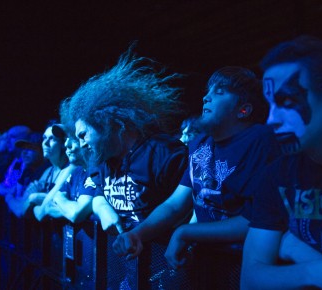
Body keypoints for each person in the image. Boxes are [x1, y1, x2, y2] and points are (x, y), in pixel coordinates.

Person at [112, 66, 281, 270]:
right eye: (208, 91)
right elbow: (175, 205)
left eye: (219, 92)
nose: (206, 98)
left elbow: (255, 220)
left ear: (243, 110)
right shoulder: (201, 144)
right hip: (205, 262)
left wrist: (186, 232)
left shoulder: (260, 141)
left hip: (242, 264)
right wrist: (137, 234)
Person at [240, 36, 322, 289]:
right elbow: (250, 280)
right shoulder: (276, 176)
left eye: (287, 102)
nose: (271, 119)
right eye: (270, 104)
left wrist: (294, 247)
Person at [66, 49, 188, 233]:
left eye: (83, 135)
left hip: (163, 259)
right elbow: (99, 194)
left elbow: (184, 208)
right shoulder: (102, 161)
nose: (81, 143)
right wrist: (104, 209)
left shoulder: (162, 154)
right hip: (127, 259)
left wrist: (139, 235)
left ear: (106, 122)